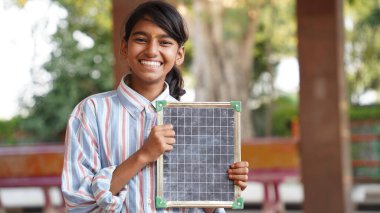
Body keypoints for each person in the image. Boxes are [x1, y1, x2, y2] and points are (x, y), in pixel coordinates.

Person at [61, 1, 249, 212]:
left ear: (179, 54)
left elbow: (204, 207)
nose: (151, 51)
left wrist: (220, 187)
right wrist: (143, 155)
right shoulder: (91, 112)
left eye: (165, 42)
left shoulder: (195, 122)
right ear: (124, 46)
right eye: (141, 39)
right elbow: (78, 203)